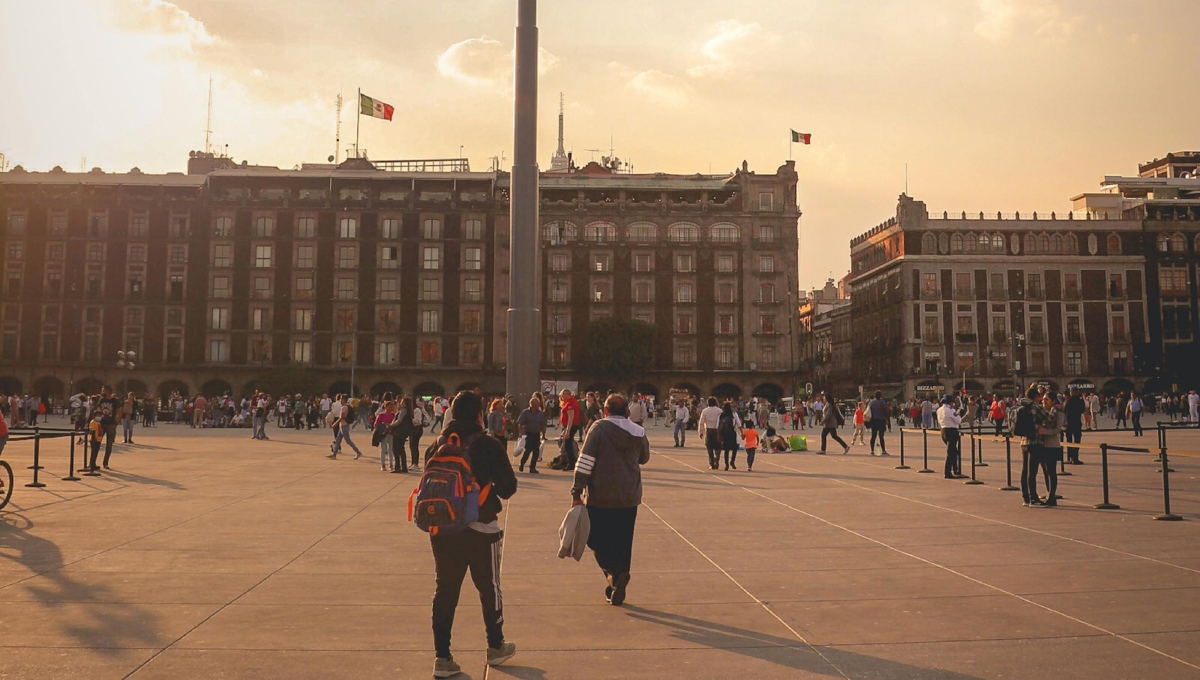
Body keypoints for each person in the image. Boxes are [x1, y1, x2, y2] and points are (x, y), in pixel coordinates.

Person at [426, 391, 518, 677]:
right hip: (481, 527)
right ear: (479, 415)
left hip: (442, 529)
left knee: (445, 590)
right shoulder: (488, 444)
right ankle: (495, 646)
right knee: (488, 588)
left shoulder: (436, 445)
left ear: (451, 413)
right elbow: (508, 488)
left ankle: (442, 657)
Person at [570, 393, 650, 607]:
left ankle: (613, 574)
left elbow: (584, 461)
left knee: (594, 538)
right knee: (624, 542)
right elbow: (644, 458)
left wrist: (577, 492)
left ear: (605, 411)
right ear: (626, 412)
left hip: (601, 497)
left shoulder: (599, 428)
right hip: (628, 497)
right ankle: (620, 574)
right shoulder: (639, 431)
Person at [1034, 393, 1064, 507]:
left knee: (1051, 471)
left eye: (1046, 399)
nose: (1043, 401)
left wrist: (1045, 431)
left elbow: (1057, 430)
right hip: (1041, 445)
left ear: (1053, 401)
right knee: (1045, 471)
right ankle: (1048, 493)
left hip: (1052, 445)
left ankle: (1052, 496)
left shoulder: (1058, 414)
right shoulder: (1042, 413)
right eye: (1043, 400)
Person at [90, 386, 122, 471]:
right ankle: (93, 463)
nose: (101, 391)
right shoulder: (101, 400)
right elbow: (99, 410)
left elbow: (119, 412)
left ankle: (105, 463)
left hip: (111, 424)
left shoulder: (115, 401)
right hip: (101, 424)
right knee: (96, 443)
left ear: (108, 391)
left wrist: (115, 423)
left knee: (109, 444)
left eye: (103, 390)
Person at [327, 395, 362, 459]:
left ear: (344, 400)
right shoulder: (347, 406)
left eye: (341, 399)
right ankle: (334, 454)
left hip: (344, 426)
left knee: (348, 441)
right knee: (338, 440)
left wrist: (335, 424)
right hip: (343, 425)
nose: (340, 400)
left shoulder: (344, 407)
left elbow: (342, 417)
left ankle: (358, 452)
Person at [516, 395, 545, 473]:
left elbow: (542, 424)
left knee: (536, 451)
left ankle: (532, 467)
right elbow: (520, 423)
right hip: (528, 434)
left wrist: (543, 435)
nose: (538, 406)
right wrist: (521, 433)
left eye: (538, 404)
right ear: (531, 405)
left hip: (536, 434)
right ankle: (522, 463)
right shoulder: (525, 412)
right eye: (536, 404)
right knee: (528, 450)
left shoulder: (540, 414)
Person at [937, 396, 963, 479]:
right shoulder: (950, 410)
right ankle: (948, 472)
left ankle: (955, 470)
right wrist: (958, 413)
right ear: (950, 402)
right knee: (951, 452)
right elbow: (958, 420)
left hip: (943, 430)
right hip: (951, 431)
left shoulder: (939, 410)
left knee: (953, 451)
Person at [698, 397, 723, 470]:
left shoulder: (705, 411)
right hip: (717, 430)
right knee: (718, 446)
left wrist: (700, 432)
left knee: (709, 447)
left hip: (709, 430)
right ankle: (717, 457)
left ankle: (712, 463)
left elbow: (701, 422)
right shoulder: (720, 411)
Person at [1064, 387, 1085, 464]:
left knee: (1069, 441)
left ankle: (1070, 457)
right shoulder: (1080, 400)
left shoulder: (1068, 400)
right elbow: (1082, 410)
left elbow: (1064, 409)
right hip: (1077, 421)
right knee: (1077, 440)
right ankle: (1075, 458)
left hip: (1069, 422)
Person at [374, 400, 397, 472]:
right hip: (384, 434)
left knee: (391, 449)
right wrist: (384, 425)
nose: (390, 408)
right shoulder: (381, 415)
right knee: (383, 449)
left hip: (391, 434)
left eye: (391, 407)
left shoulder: (394, 415)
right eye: (389, 407)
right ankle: (383, 464)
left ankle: (391, 464)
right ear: (385, 407)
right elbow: (376, 425)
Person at [867, 390, 889, 455]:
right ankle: (883, 450)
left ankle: (872, 450)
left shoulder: (871, 403)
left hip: (873, 420)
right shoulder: (883, 402)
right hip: (881, 420)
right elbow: (886, 411)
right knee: (881, 436)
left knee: (873, 436)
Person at [718, 402, 739, 470]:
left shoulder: (721, 415)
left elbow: (718, 425)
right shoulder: (733, 414)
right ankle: (732, 461)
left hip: (724, 434)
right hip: (732, 433)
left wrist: (719, 434)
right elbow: (738, 423)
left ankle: (726, 464)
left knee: (726, 450)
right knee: (734, 448)